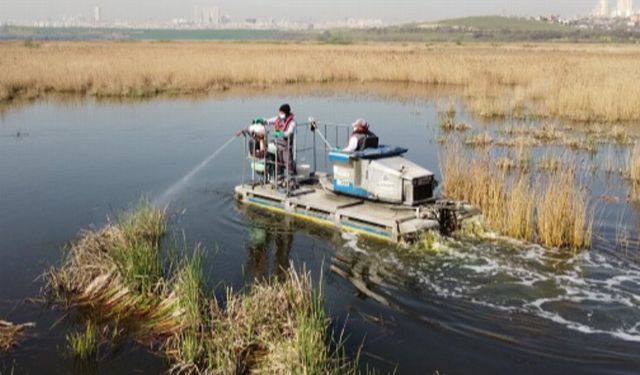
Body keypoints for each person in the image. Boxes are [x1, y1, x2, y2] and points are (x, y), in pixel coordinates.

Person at [267, 104, 297, 178]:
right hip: (278, 144)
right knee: (278, 162)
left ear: (286, 113)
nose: (280, 114)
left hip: (286, 145)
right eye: (279, 113)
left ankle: (291, 178)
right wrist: (262, 120)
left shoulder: (292, 122)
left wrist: (280, 134)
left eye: (282, 113)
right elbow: (269, 121)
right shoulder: (278, 119)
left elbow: (289, 133)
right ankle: (279, 177)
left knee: (288, 162)